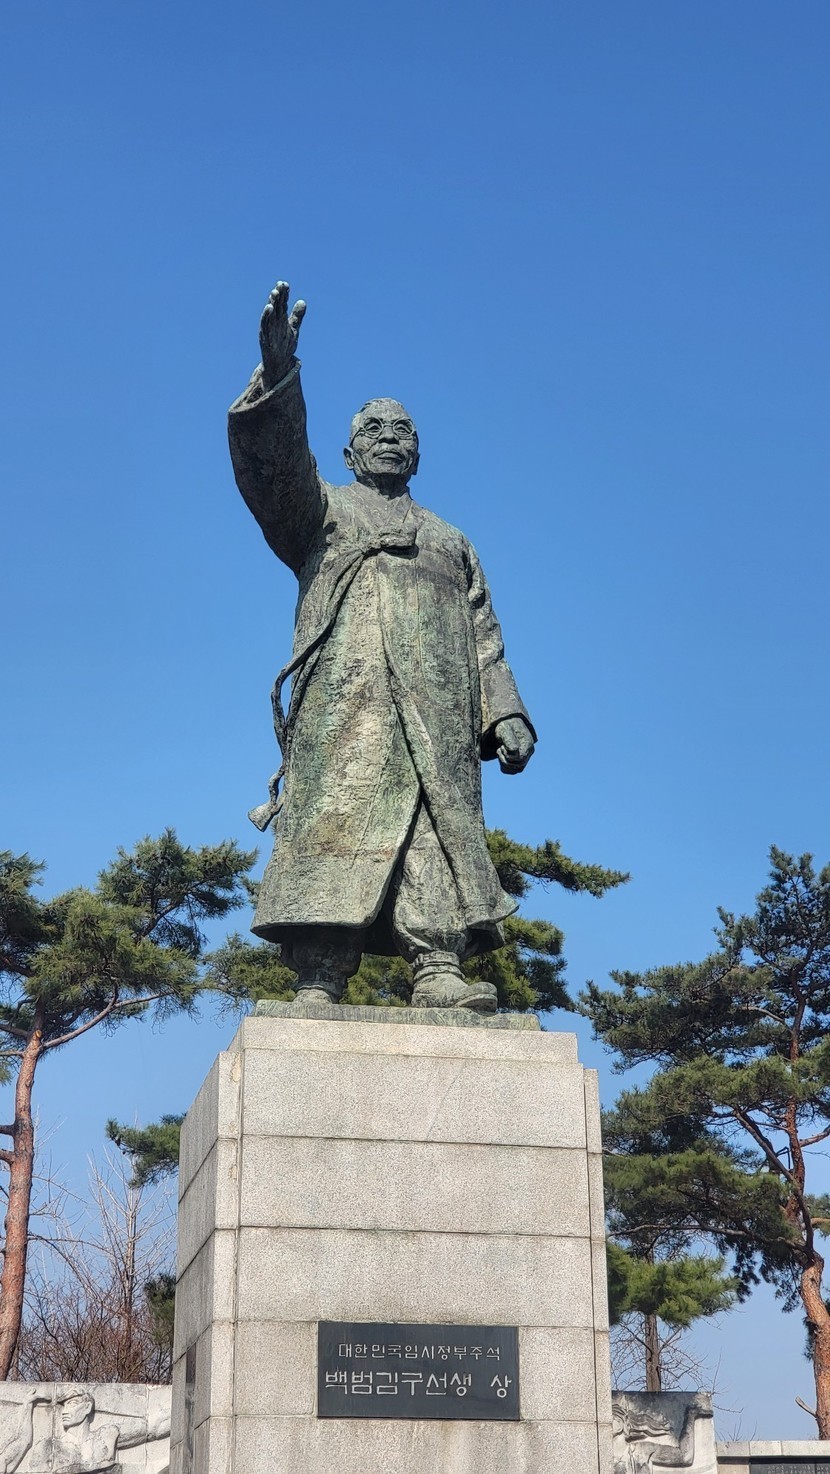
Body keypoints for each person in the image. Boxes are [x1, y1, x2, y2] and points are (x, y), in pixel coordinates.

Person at [228, 282, 536, 1010]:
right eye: (374, 429)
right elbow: (277, 475)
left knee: (434, 829)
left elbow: (484, 637)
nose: (390, 437)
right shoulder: (323, 514)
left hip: (437, 719)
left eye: (403, 430)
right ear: (349, 451)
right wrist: (277, 380)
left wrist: (505, 712)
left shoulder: (450, 542)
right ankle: (320, 973)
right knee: (334, 826)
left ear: (419, 454)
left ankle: (437, 965)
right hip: (349, 711)